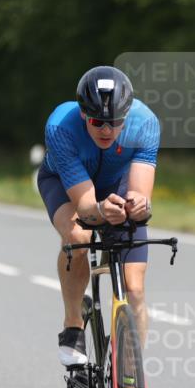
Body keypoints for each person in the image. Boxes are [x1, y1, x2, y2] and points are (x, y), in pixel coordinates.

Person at [38, 65, 160, 367]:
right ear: (83, 114)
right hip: (65, 183)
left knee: (134, 287)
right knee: (79, 235)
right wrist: (101, 211)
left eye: (115, 121)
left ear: (127, 114)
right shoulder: (61, 126)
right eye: (97, 121)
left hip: (115, 182)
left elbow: (141, 194)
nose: (106, 130)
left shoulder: (145, 123)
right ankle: (73, 325)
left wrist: (140, 206)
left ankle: (131, 374)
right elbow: (86, 208)